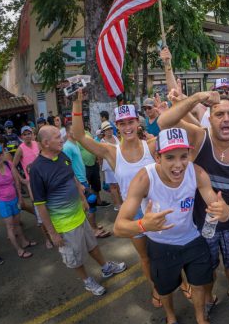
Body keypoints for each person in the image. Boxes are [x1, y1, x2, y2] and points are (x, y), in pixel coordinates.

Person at [114, 128, 229, 324]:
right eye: (169, 157)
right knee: (165, 288)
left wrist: (224, 212)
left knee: (199, 284)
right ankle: (170, 318)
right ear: (157, 157)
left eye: (183, 156)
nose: (178, 165)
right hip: (161, 244)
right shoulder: (145, 177)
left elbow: (220, 209)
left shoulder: (196, 172)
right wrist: (143, 225)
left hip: (192, 238)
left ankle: (200, 317)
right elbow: (119, 226)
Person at [157, 90, 229, 312]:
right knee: (206, 266)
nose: (226, 119)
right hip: (201, 222)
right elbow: (163, 122)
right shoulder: (199, 137)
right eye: (219, 114)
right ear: (209, 118)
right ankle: (207, 298)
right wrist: (197, 97)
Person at [70, 91, 178, 307]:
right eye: (122, 123)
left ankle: (180, 283)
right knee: (145, 256)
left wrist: (167, 111)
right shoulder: (112, 152)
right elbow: (80, 135)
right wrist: (76, 102)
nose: (127, 127)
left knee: (171, 251)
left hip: (159, 207)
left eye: (131, 122)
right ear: (117, 126)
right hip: (134, 213)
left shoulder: (151, 145)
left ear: (138, 122)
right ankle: (155, 288)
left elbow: (176, 131)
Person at [29, 125, 126, 296]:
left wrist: (82, 198)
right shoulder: (37, 169)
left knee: (92, 245)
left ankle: (105, 268)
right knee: (75, 258)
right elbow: (40, 205)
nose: (62, 139)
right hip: (64, 226)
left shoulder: (61, 155)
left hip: (80, 216)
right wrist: (52, 233)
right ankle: (87, 281)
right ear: (45, 143)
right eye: (58, 137)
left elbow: (71, 176)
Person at [0, 144, 36, 258]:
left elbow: (16, 180)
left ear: (3, 154)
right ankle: (19, 250)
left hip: (14, 199)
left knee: (17, 224)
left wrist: (20, 197)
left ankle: (24, 242)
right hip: (3, 202)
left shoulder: (9, 164)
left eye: (0, 154)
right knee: (10, 227)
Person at [63, 122, 110, 238]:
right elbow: (66, 168)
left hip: (83, 179)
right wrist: (78, 184)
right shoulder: (67, 147)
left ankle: (91, 226)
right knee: (91, 201)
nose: (78, 132)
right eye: (75, 130)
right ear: (68, 132)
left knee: (88, 204)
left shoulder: (75, 143)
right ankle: (93, 229)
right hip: (77, 182)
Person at [12, 125, 52, 248]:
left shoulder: (37, 144)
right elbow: (13, 166)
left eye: (29, 133)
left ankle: (55, 233)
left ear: (32, 134)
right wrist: (22, 180)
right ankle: (47, 239)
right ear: (21, 136)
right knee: (39, 211)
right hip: (32, 184)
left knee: (50, 207)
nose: (27, 136)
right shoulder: (20, 149)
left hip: (45, 180)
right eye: (25, 134)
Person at [99, 121, 122, 212]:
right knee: (113, 186)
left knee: (119, 185)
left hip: (118, 164)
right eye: (107, 130)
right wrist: (101, 166)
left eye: (110, 129)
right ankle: (117, 204)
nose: (109, 131)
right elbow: (100, 155)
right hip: (108, 166)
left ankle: (121, 202)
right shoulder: (102, 141)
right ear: (103, 132)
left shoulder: (115, 137)